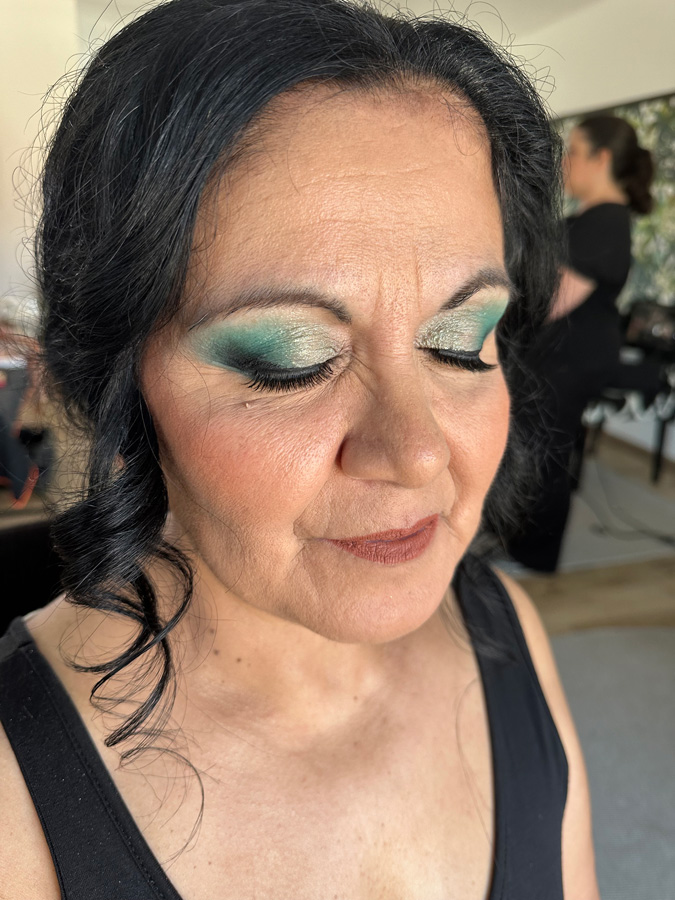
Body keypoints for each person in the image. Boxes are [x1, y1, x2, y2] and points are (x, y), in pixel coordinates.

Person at [0, 2, 599, 898]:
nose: (416, 453)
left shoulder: (508, 631)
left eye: (460, 340)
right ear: (118, 381)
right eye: (294, 360)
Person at [506, 115, 655, 572]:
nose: (564, 163)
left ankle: (536, 558)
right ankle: (513, 535)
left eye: (573, 151)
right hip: (559, 354)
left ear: (601, 158)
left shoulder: (605, 223)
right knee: (532, 448)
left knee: (543, 455)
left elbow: (548, 303)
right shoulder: (587, 219)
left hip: (570, 360)